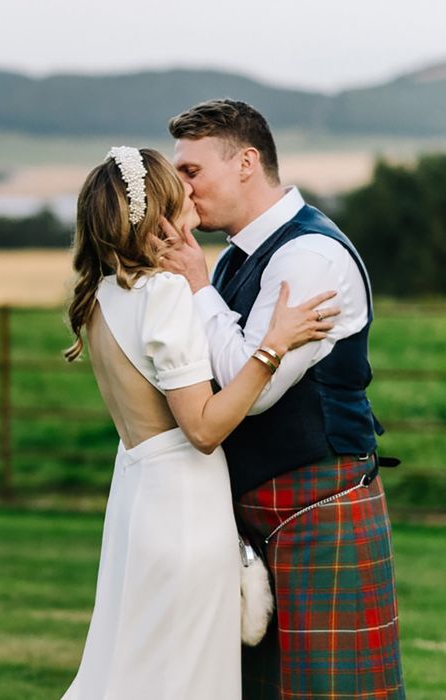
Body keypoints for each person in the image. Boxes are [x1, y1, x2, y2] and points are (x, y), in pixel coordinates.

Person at [60, 145, 338, 699]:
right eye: (179, 183)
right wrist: (272, 347)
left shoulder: (101, 294)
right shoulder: (162, 294)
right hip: (184, 513)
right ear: (158, 208)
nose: (191, 191)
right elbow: (204, 430)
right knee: (186, 681)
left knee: (133, 672)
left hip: (139, 506)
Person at [156, 99, 405, 699]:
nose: (181, 190)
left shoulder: (308, 257)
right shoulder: (236, 257)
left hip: (317, 509)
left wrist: (195, 284)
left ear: (246, 162)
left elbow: (254, 386)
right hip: (264, 511)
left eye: (191, 172)